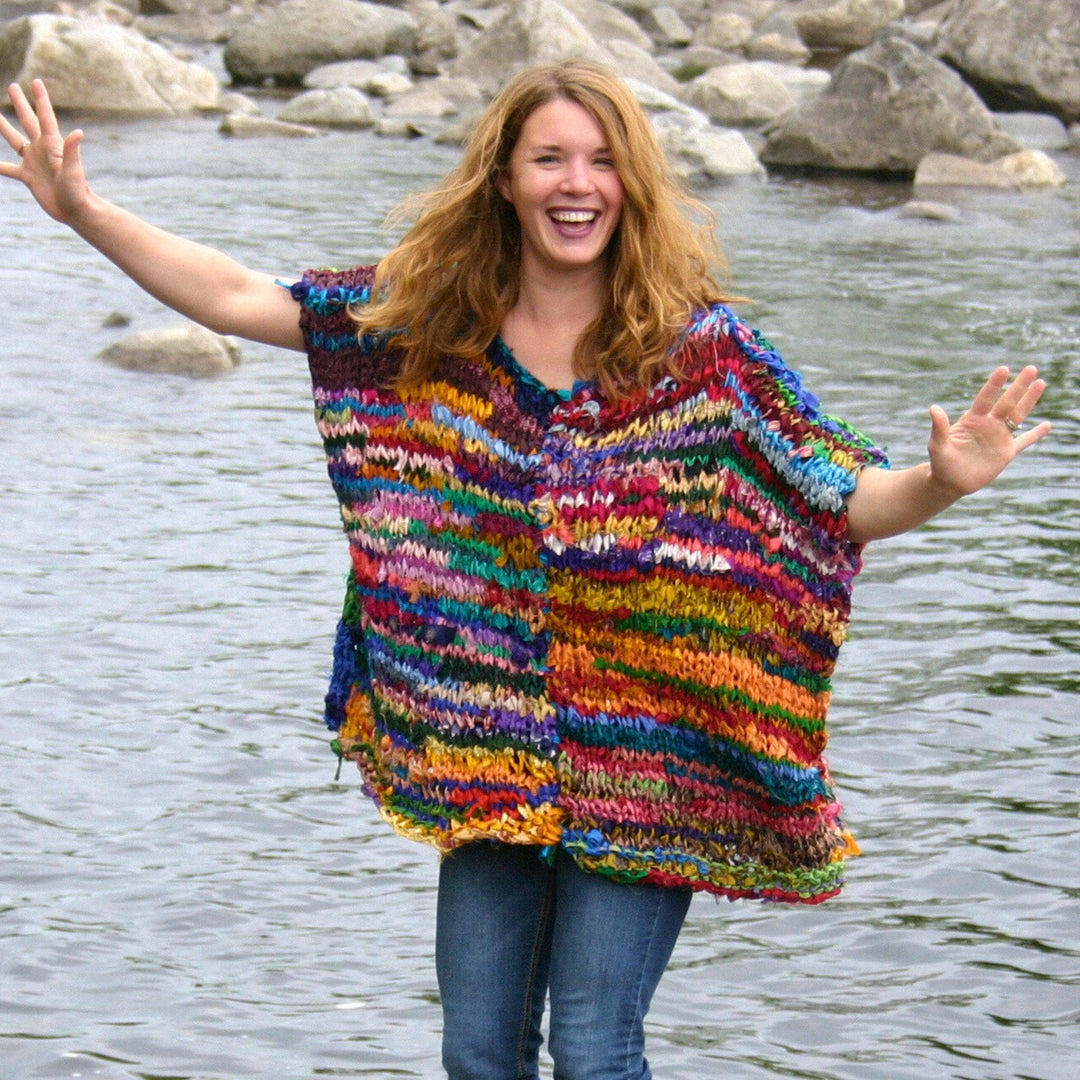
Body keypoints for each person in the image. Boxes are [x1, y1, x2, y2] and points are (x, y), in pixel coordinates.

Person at [1, 61, 1051, 1080]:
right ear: (504, 178)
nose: (577, 184)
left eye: (600, 161)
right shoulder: (427, 326)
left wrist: (942, 480)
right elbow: (240, 297)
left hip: (650, 768)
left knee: (596, 1051)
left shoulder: (706, 357)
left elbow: (842, 498)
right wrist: (86, 212)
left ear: (630, 185)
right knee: (477, 1053)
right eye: (550, 158)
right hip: (486, 759)